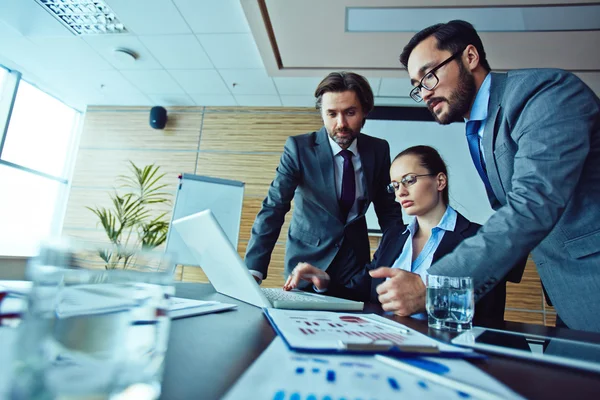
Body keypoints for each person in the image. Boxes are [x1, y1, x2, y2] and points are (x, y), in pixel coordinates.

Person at [391, 20, 600, 332]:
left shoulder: (544, 94)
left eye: (429, 75)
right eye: (417, 86)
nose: (424, 94)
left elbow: (533, 204)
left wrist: (431, 285)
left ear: (470, 57)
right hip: (567, 290)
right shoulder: (477, 128)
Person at [284, 145, 523, 323]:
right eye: (395, 185)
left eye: (409, 180)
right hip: (384, 345)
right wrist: (324, 282)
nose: (401, 192)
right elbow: (363, 290)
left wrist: (429, 300)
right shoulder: (394, 237)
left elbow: (487, 311)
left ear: (440, 181)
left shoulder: (478, 238)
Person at [245, 72, 403, 288]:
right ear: (321, 113)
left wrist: (398, 261)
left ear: (365, 110)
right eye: (332, 113)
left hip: (355, 265)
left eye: (350, 112)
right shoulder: (299, 149)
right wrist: (253, 270)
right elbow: (274, 207)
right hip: (306, 262)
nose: (341, 123)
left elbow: (388, 212)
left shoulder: (378, 150)